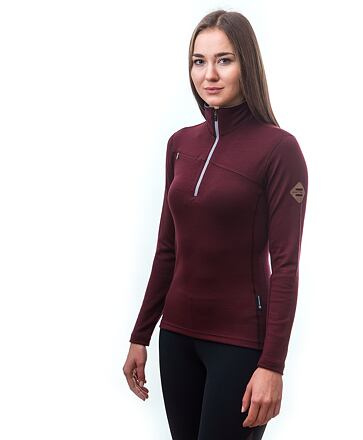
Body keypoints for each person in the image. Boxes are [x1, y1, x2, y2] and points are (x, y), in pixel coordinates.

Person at [122, 9, 308, 440]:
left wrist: (273, 365)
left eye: (224, 60)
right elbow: (167, 248)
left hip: (240, 343)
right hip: (177, 338)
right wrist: (141, 334)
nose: (209, 74)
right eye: (199, 61)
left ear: (247, 64)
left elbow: (285, 266)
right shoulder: (180, 144)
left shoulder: (279, 150)